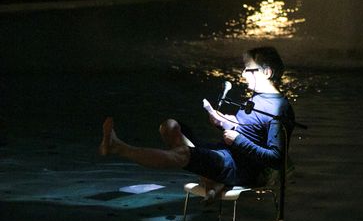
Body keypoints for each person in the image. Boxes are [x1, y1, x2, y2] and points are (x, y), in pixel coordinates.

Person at [99, 46, 295, 200]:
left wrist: (238, 141)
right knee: (170, 126)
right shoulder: (257, 98)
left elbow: (276, 158)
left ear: (267, 72)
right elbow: (248, 129)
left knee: (183, 154)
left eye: (248, 69)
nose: (243, 74)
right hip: (226, 153)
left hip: (241, 167)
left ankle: (118, 148)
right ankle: (211, 178)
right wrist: (222, 122)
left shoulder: (279, 108)